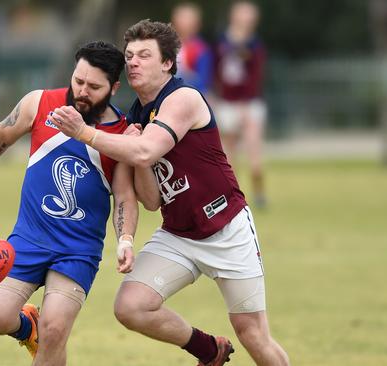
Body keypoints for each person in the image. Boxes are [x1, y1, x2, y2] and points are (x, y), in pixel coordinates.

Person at [50, 20, 289, 366]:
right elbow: (151, 200)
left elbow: (146, 151)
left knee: (252, 333)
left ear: (167, 63)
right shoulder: (136, 115)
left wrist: (86, 134)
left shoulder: (183, 98)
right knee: (130, 307)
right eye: (129, 55)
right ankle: (208, 349)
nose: (132, 61)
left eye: (144, 55)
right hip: (179, 233)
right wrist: (135, 153)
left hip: (227, 228)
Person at [0, 41, 138, 366]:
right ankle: (27, 326)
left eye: (93, 87)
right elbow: (3, 134)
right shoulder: (41, 102)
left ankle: (42, 328)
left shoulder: (121, 135)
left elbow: (124, 197)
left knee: (55, 331)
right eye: (78, 80)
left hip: (77, 250)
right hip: (28, 240)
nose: (82, 91)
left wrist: (126, 240)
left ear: (113, 87)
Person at [213, 0, 268, 208]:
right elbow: (216, 71)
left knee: (254, 149)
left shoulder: (255, 45)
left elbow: (256, 76)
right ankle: (234, 195)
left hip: (250, 103)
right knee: (229, 153)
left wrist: (246, 103)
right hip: (227, 102)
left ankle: (259, 193)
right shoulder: (222, 41)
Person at [171, 2, 212, 94]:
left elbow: (203, 80)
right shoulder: (165, 45)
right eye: (182, 17)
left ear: (197, 24)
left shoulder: (201, 49)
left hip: (191, 95)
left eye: (188, 18)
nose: (184, 22)